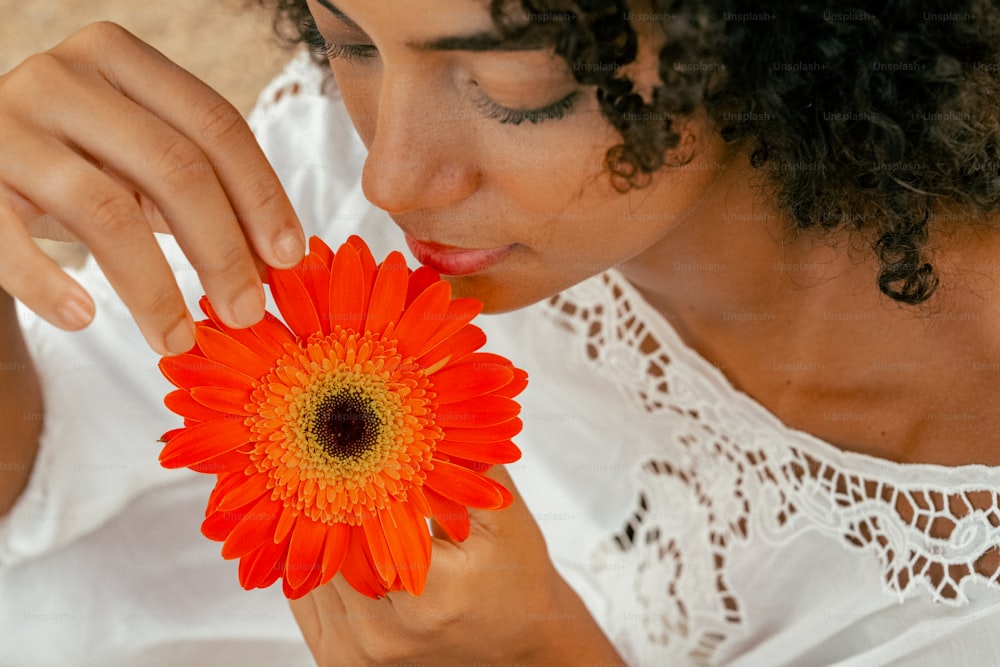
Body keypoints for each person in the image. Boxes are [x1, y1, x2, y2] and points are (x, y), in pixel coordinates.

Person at [1, 0, 999, 664]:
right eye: (345, 38)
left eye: (518, 87)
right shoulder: (336, 185)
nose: (390, 177)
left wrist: (541, 653)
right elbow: (55, 488)